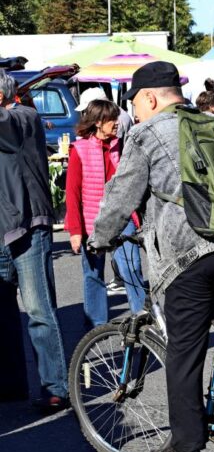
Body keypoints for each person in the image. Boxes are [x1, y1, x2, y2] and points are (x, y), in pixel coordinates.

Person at [90, 61, 214, 452]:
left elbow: (121, 195)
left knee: (184, 349)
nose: (133, 114)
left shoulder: (147, 132)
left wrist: (101, 237)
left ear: (150, 98)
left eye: (135, 105)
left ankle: (185, 449)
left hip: (196, 250)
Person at [0, 70, 70, 411]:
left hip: (29, 226)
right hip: (3, 228)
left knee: (39, 311)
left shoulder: (24, 117)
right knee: (3, 314)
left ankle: (56, 386)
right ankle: (10, 384)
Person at [64, 98, 147, 329]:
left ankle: (140, 320)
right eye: (112, 119)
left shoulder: (121, 145)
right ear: (98, 122)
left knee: (132, 268)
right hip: (92, 222)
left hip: (122, 218)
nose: (117, 123)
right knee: (93, 275)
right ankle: (97, 328)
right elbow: (72, 192)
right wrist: (75, 231)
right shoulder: (79, 149)